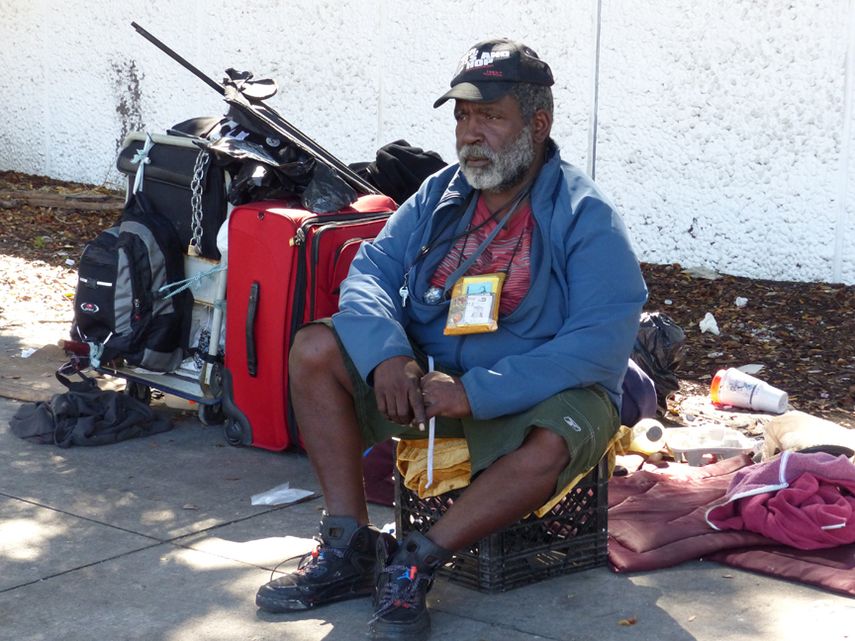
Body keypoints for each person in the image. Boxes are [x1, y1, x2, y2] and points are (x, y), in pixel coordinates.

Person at [255, 38, 647, 641]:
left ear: (538, 124)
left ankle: (415, 561)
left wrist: (475, 393)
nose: (470, 134)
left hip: (531, 391)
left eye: (490, 116)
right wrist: (388, 356)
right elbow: (370, 271)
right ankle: (348, 546)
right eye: (463, 117)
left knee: (555, 436)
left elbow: (598, 344)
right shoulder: (440, 192)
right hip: (427, 383)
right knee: (315, 349)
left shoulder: (584, 214)